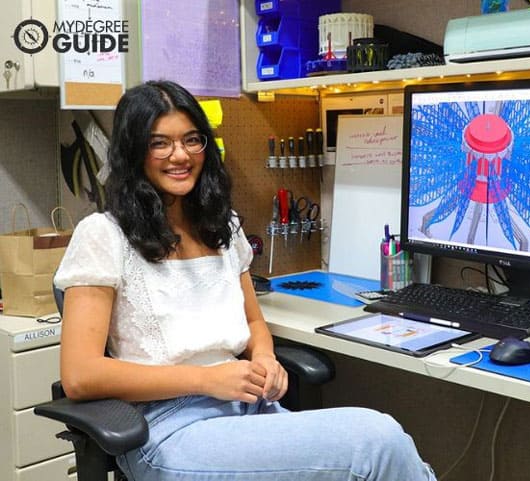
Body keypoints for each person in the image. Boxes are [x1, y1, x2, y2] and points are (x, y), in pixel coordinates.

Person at [54, 80, 437, 481]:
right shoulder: (104, 234)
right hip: (166, 427)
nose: (180, 155)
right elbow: (80, 376)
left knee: (378, 453)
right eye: (159, 143)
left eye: (191, 140)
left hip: (246, 407)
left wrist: (266, 359)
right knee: (377, 442)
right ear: (134, 152)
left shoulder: (222, 226)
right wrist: (205, 379)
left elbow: (254, 323)